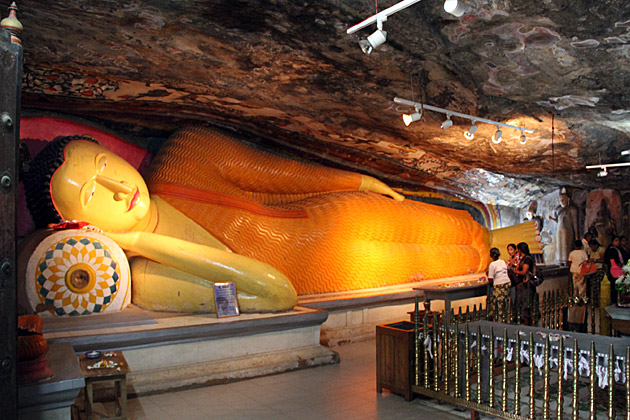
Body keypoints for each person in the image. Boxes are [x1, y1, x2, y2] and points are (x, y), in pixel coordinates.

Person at [24, 129, 541, 313]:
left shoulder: (184, 151)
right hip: (336, 270)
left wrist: (356, 181)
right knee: (463, 259)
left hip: (340, 217)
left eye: (104, 166)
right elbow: (274, 291)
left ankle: (514, 244)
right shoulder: (156, 277)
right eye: (95, 196)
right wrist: (138, 240)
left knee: (462, 230)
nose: (119, 188)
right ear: (81, 228)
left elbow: (281, 175)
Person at [549, 189, 579, 266]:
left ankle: (566, 261)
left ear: (567, 199)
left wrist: (577, 236)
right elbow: (558, 221)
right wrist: (552, 219)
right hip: (559, 229)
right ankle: (560, 261)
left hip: (568, 229)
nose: (562, 201)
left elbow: (575, 223)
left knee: (566, 245)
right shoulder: (558, 209)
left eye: (563, 199)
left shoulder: (572, 209)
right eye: (560, 199)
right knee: (559, 246)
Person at [567, 240, 589, 331]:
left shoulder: (572, 253)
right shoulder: (583, 253)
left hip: (574, 270)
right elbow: (587, 261)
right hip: (581, 270)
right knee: (582, 285)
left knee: (575, 285)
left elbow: (569, 262)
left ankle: (575, 298)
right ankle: (582, 298)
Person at [513, 242, 536, 325]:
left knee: (525, 300)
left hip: (526, 284)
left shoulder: (527, 259)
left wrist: (515, 271)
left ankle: (525, 317)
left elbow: (524, 271)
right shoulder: (525, 258)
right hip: (523, 284)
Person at [487, 248, 510, 322]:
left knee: (499, 304)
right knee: (504, 302)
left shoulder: (492, 265)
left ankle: (499, 320)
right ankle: (505, 318)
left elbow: (490, 279)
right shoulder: (502, 262)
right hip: (507, 283)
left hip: (499, 285)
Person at [604, 235, 625, 304]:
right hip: (614, 270)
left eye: (618, 240)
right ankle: (614, 300)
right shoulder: (611, 250)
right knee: (614, 286)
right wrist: (617, 263)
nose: (618, 242)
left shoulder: (619, 249)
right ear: (612, 242)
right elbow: (610, 259)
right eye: (616, 241)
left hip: (620, 270)